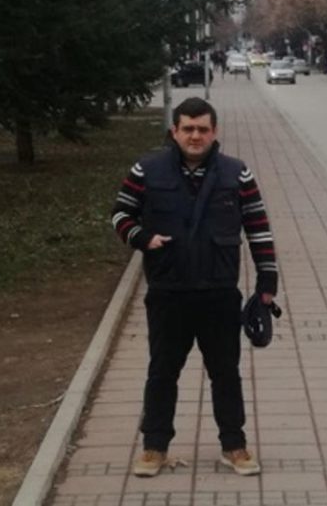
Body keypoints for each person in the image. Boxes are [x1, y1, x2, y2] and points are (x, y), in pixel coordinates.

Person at [111, 97, 278, 478]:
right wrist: (142, 238)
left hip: (219, 293)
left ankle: (234, 446)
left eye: (202, 129)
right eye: (188, 128)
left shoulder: (236, 173)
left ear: (214, 132)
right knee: (162, 371)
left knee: (225, 373)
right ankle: (154, 447)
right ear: (175, 131)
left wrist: (267, 282)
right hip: (168, 292)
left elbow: (258, 227)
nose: (195, 136)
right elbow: (120, 213)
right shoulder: (147, 170)